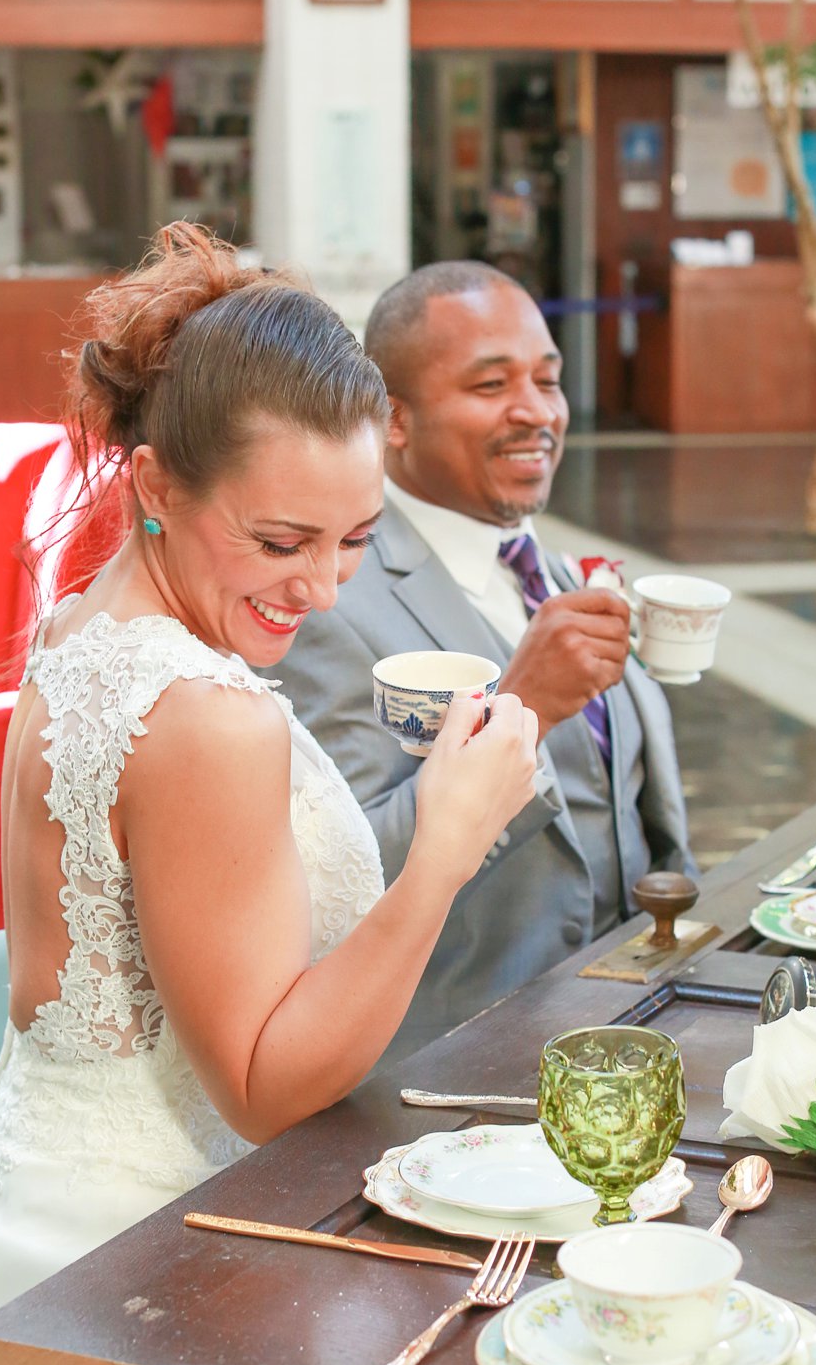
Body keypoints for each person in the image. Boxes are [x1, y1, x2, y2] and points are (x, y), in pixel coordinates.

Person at [0, 226, 742, 1365]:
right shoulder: (209, 715)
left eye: (349, 539)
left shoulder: (91, 627)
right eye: (283, 544)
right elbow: (269, 1079)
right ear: (156, 483)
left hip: (49, 1224)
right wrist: (444, 847)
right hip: (135, 1295)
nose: (327, 589)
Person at [280, 259, 693, 1059]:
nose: (536, 412)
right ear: (393, 420)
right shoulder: (329, 610)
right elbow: (341, 880)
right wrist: (522, 710)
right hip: (468, 1056)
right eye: (490, 386)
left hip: (645, 1015)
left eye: (548, 380)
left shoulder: (557, 572)